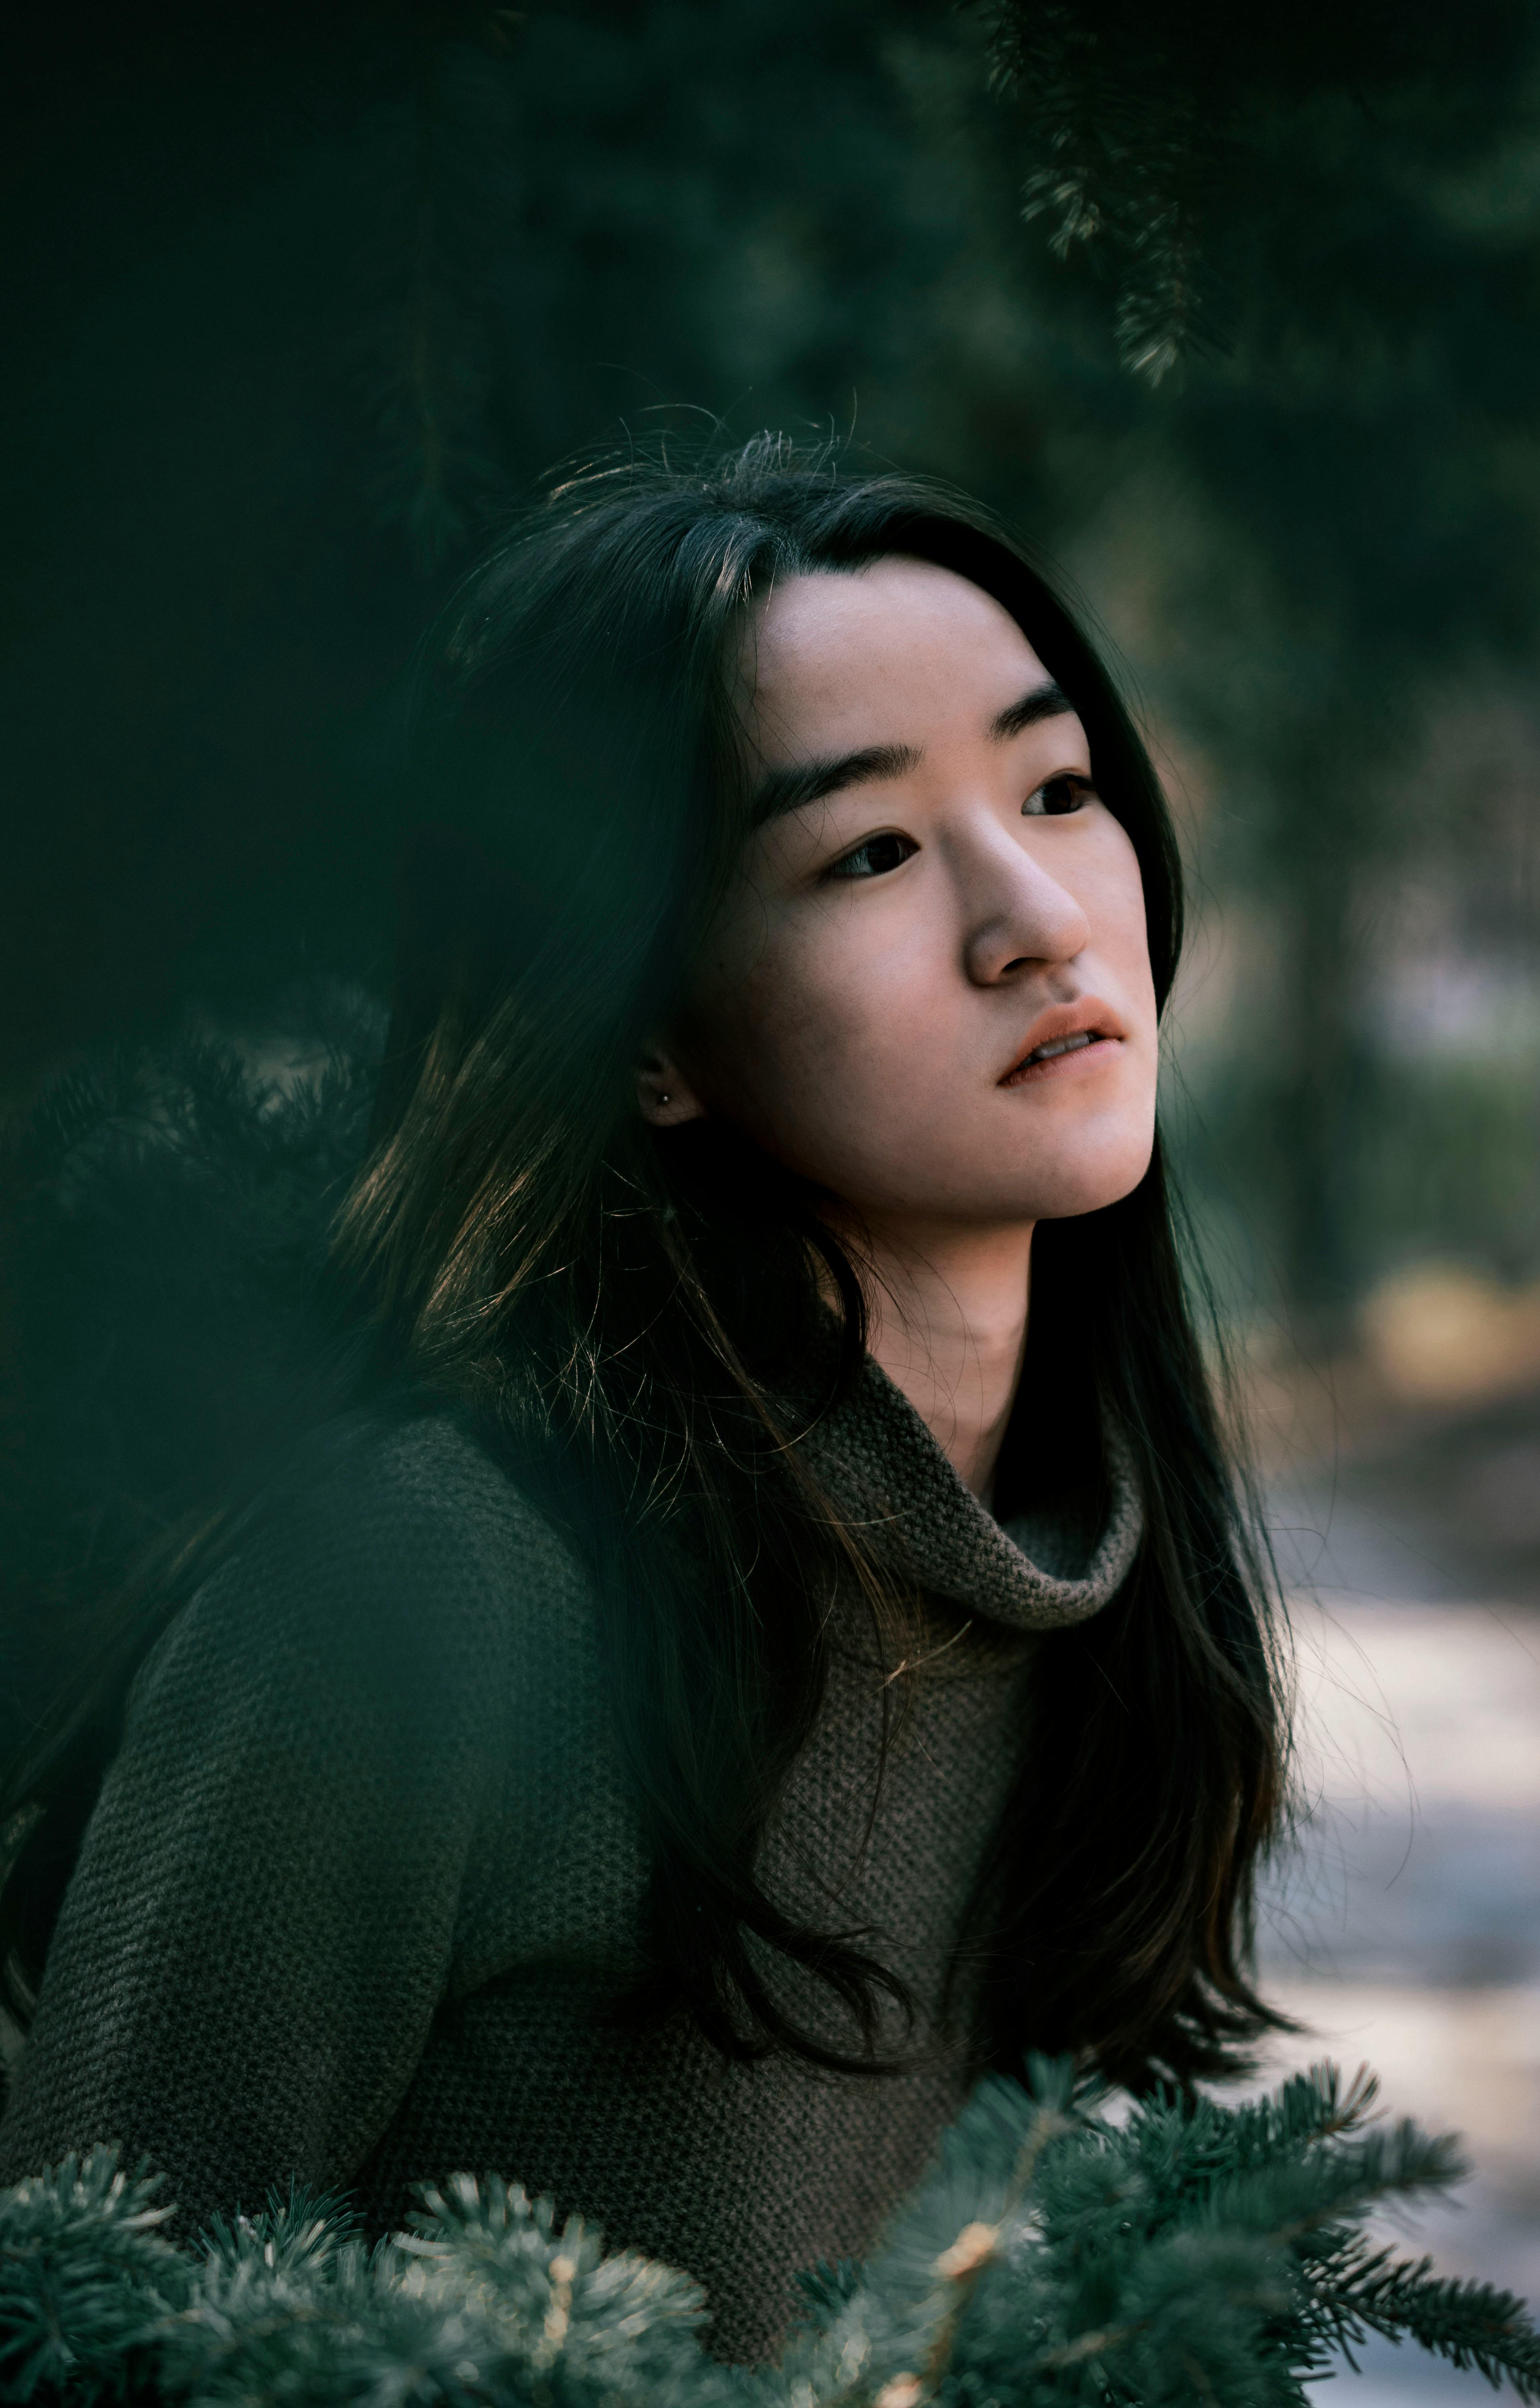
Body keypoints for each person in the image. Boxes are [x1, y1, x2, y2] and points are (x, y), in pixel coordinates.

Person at [0, 437, 1288, 2366]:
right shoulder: (424, 1587)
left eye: (1059, 785)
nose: (1037, 912)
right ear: (656, 1035)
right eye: (867, 848)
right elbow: (84, 2322)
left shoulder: (1067, 1594)